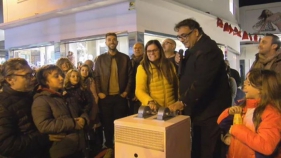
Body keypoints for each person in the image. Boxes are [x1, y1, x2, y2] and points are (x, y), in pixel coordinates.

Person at [173, 18, 232, 158]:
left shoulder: (208, 50)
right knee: (198, 147)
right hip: (199, 109)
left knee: (209, 149)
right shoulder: (194, 50)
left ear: (196, 32)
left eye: (184, 35)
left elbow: (202, 81)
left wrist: (182, 102)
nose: (181, 39)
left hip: (210, 111)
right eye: (179, 36)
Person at [217, 69, 281, 158]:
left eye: (249, 83)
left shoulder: (271, 114)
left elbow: (266, 146)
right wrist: (229, 113)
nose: (244, 85)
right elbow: (220, 123)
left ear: (261, 89)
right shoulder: (243, 106)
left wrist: (237, 130)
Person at [32, 65, 88, 158]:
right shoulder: (41, 100)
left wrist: (84, 119)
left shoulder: (67, 95)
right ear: (46, 81)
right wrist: (72, 123)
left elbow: (80, 110)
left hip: (78, 146)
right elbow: (44, 124)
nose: (61, 78)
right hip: (61, 150)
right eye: (56, 76)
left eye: (61, 75)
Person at [0, 58, 51, 157]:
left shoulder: (32, 95)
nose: (32, 78)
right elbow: (6, 145)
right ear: (10, 79)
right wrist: (45, 136)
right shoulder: (3, 105)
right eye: (27, 75)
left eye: (32, 74)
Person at [95, 32, 133, 148]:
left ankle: (120, 145)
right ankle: (108, 146)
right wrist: (99, 92)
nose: (112, 41)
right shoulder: (100, 59)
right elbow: (96, 76)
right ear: (106, 42)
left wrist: (126, 91)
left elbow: (130, 76)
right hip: (105, 97)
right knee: (107, 124)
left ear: (117, 42)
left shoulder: (125, 58)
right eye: (109, 39)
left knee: (120, 123)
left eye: (114, 40)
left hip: (120, 97)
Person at [135, 40, 179, 112]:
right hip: (153, 110)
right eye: (149, 51)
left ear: (160, 51)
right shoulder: (143, 67)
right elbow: (139, 90)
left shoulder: (169, 65)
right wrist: (150, 102)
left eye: (155, 50)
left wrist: (178, 102)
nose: (152, 53)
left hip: (171, 109)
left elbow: (176, 85)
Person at [128, 42, 144, 114]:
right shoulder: (129, 61)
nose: (137, 50)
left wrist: (139, 94)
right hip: (131, 93)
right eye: (135, 48)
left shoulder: (146, 61)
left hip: (143, 93)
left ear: (143, 49)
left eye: (139, 48)